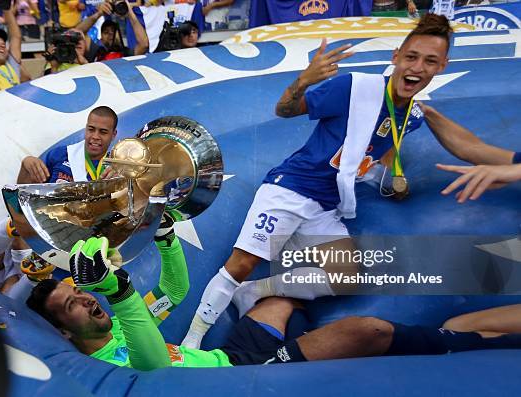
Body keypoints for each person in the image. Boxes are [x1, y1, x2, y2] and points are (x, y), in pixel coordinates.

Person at [181, 13, 518, 348]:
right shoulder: (354, 88)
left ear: (441, 66)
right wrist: (303, 81)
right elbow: (284, 110)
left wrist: (391, 180)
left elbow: (451, 147)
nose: (417, 67)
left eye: (430, 61)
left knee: (347, 277)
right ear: (396, 57)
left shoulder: (412, 116)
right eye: (411, 57)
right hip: (290, 189)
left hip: (326, 206)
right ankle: (190, 341)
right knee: (243, 262)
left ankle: (253, 292)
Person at [27, 232, 521, 369]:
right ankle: (483, 345)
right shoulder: (106, 364)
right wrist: (122, 293)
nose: (88, 302)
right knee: (365, 330)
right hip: (243, 377)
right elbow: (153, 367)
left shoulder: (115, 327)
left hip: (231, 354)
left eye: (81, 292)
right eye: (74, 304)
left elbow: (174, 292)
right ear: (64, 332)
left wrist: (166, 234)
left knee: (276, 298)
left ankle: (303, 340)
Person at [17, 105, 118, 183]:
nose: (95, 136)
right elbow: (25, 200)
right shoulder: (60, 154)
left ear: (113, 135)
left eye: (103, 132)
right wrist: (26, 165)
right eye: (91, 129)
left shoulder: (117, 168)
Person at [74, 0, 149, 59]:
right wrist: (98, 14)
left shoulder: (127, 55)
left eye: (113, 31)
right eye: (106, 32)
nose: (110, 34)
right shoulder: (95, 52)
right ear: (101, 36)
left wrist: (130, 13)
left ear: (119, 35)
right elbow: (77, 33)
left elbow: (144, 44)